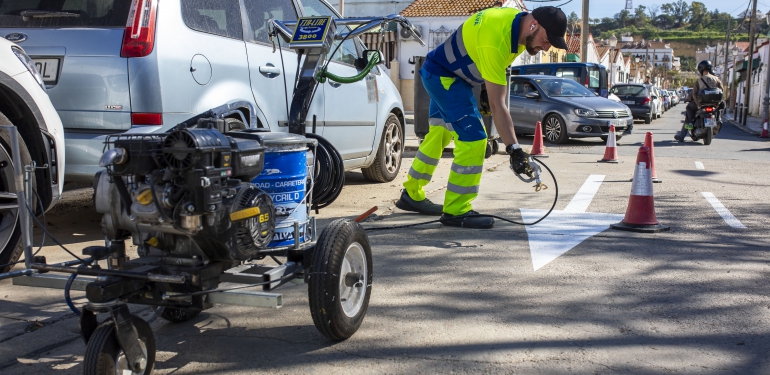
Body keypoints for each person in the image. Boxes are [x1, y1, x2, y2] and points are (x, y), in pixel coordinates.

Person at [394, 6, 568, 229]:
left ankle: (411, 193)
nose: (546, 46)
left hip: (438, 72)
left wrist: (486, 89)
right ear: (534, 25)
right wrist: (514, 149)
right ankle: (457, 210)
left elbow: (489, 64)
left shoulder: (515, 27)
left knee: (439, 133)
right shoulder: (497, 39)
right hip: (446, 78)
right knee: (474, 139)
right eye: (547, 39)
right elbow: (498, 106)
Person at [675, 60, 724, 142]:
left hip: (702, 104)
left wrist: (698, 105)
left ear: (701, 70)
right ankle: (718, 119)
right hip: (714, 105)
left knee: (689, 109)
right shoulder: (717, 79)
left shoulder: (700, 80)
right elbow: (721, 91)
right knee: (720, 112)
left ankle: (683, 134)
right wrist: (718, 104)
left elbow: (694, 94)